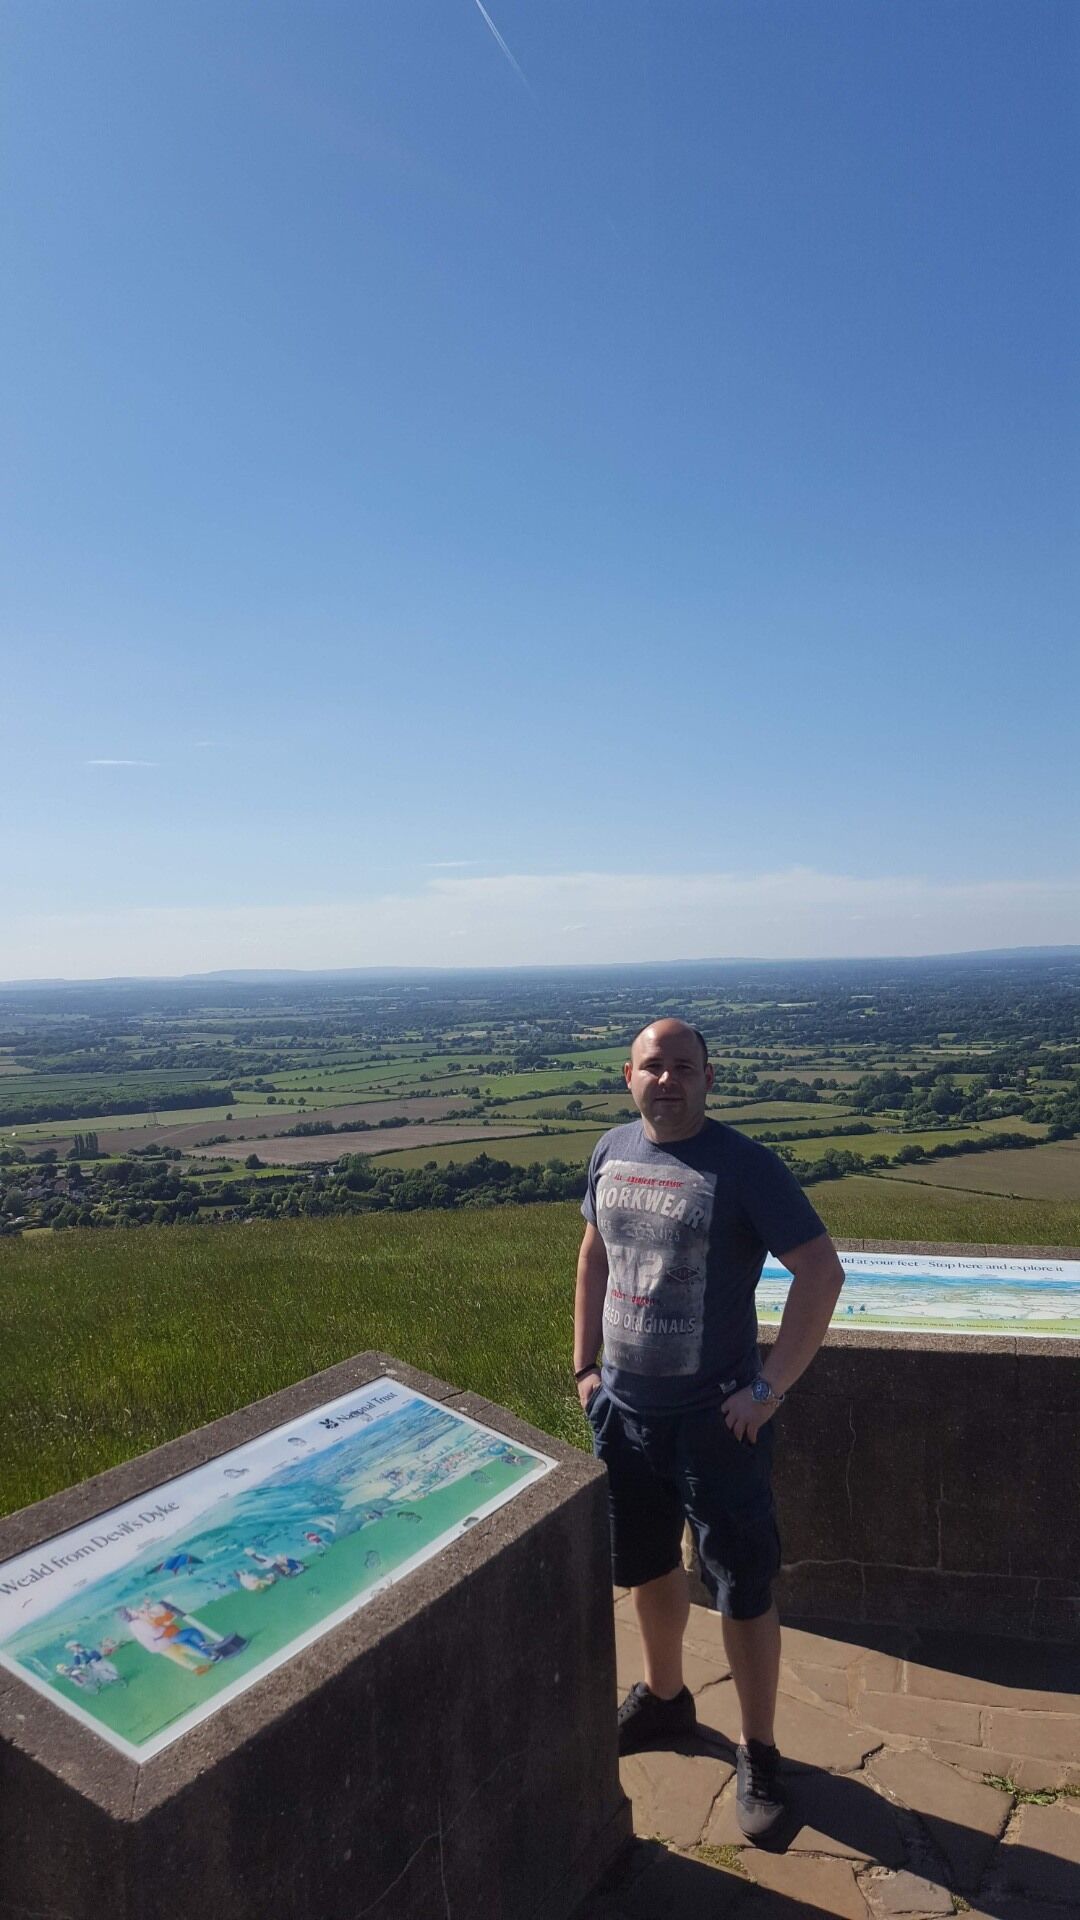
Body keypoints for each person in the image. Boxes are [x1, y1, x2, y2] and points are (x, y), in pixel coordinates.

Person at [574, 1018, 844, 1844]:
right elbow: (594, 1254)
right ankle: (665, 1697)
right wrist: (584, 1370)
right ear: (629, 1076)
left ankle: (758, 1749)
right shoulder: (611, 1150)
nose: (667, 1080)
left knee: (740, 1583)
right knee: (648, 1565)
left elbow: (820, 1271)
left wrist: (768, 1389)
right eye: (653, 1066)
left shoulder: (746, 1166)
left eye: (683, 1067)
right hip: (624, 1413)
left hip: (716, 1424)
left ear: (708, 1078)